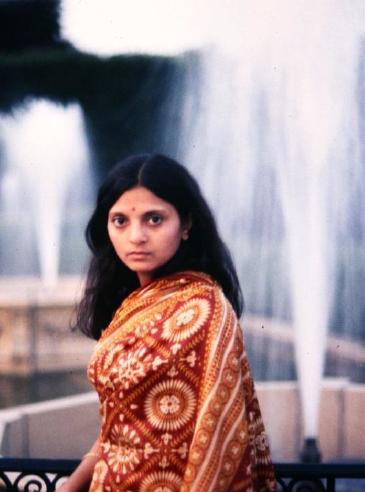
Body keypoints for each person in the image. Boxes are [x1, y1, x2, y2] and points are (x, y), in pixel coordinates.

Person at [59, 154, 276, 492]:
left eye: (154, 219)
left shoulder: (205, 310)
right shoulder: (132, 303)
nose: (136, 236)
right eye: (120, 221)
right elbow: (120, 423)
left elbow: (216, 439)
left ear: (187, 224)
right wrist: (72, 486)